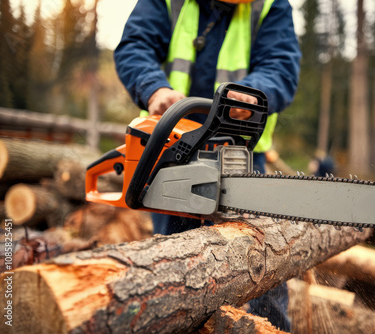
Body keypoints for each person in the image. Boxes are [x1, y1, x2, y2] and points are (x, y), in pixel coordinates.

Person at [114, 0, 300, 330]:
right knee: (177, 270)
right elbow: (135, 45)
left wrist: (254, 94)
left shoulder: (269, 6)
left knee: (259, 266)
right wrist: (153, 87)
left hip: (239, 156)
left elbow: (281, 66)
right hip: (171, 152)